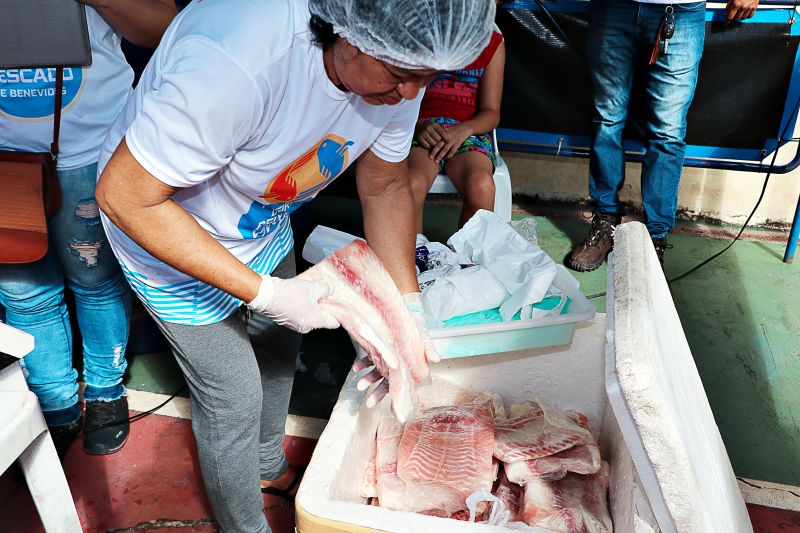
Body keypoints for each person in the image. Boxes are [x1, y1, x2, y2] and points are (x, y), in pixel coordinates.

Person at [94, 0, 495, 530]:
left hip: (257, 220)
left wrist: (407, 306)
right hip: (164, 229)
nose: (410, 94)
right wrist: (270, 294)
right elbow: (124, 195)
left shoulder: (397, 65)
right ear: (347, 31)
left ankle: (266, 464)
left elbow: (385, 185)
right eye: (401, 75)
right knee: (233, 396)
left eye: (426, 78)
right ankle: (245, 525)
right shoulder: (238, 63)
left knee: (280, 346)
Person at [0, 0, 176, 456]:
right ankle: (54, 405)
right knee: (23, 294)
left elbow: (164, 26)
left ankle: (105, 391)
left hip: (91, 146)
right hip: (5, 163)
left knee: (96, 281)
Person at [567, 0, 759, 272]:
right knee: (608, 119)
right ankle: (605, 222)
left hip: (681, 12)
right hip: (614, 7)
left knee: (667, 132)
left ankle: (654, 238)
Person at [408, 27, 506, 232]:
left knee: (482, 186)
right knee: (411, 184)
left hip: (469, 132)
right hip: (422, 129)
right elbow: (396, 99)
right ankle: (411, 251)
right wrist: (416, 126)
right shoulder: (419, 31)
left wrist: (465, 129)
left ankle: (468, 254)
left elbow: (491, 113)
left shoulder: (492, 43)